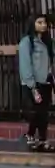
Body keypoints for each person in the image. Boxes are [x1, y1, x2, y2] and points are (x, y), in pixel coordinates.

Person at [18, 14, 52, 151]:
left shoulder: (48, 41)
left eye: (45, 22)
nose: (43, 25)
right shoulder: (26, 42)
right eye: (39, 22)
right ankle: (30, 135)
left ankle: (42, 140)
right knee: (35, 113)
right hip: (32, 83)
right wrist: (33, 87)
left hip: (45, 82)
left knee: (43, 113)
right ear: (33, 24)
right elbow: (25, 65)